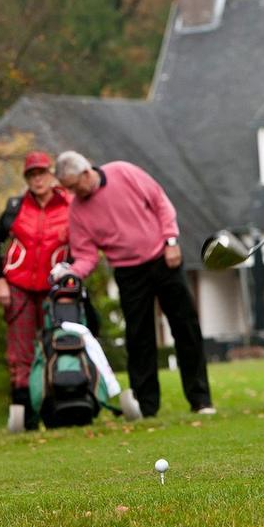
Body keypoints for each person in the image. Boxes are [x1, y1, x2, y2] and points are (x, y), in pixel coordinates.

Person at [53, 151, 214, 418]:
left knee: (185, 328)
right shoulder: (78, 211)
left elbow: (160, 203)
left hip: (163, 258)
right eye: (67, 189)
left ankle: (201, 400)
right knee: (139, 340)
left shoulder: (123, 172)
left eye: (73, 186)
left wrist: (171, 240)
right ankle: (146, 407)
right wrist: (71, 274)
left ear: (85, 173)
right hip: (128, 272)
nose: (72, 193)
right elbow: (86, 255)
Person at [0, 150, 72, 431]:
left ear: (51, 174)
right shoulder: (15, 207)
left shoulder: (70, 206)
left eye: (41, 172)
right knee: (20, 356)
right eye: (32, 174)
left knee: (56, 348)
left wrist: (72, 277)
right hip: (18, 288)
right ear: (27, 179)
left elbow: (84, 245)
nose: (37, 179)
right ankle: (24, 420)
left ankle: (57, 416)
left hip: (54, 290)